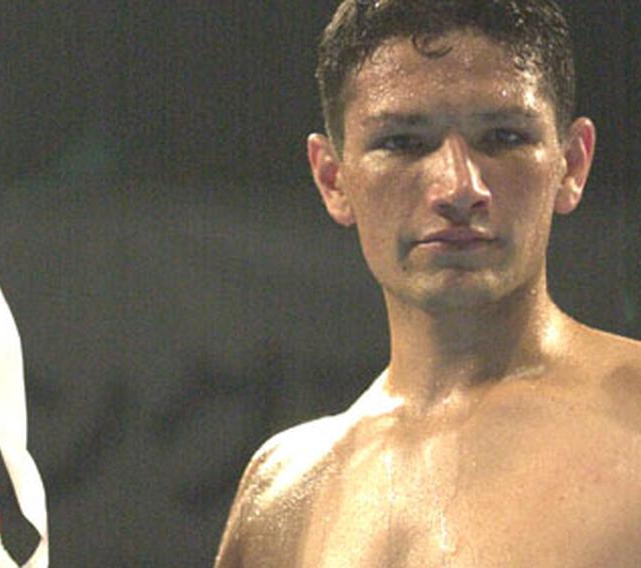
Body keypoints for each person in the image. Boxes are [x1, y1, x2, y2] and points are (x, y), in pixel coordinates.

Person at [215, 1, 641, 566]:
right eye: (403, 143)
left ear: (572, 164)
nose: (458, 187)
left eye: (504, 136)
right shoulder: (284, 494)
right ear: (333, 178)